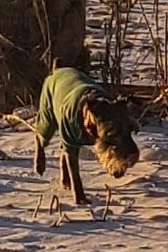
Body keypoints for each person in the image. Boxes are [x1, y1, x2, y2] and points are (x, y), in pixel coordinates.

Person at [33, 63, 139, 209]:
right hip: (55, 83)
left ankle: (66, 177)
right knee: (47, 131)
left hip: (84, 88)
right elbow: (70, 149)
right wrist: (79, 194)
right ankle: (39, 146)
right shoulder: (71, 116)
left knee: (72, 145)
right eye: (115, 134)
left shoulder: (114, 108)